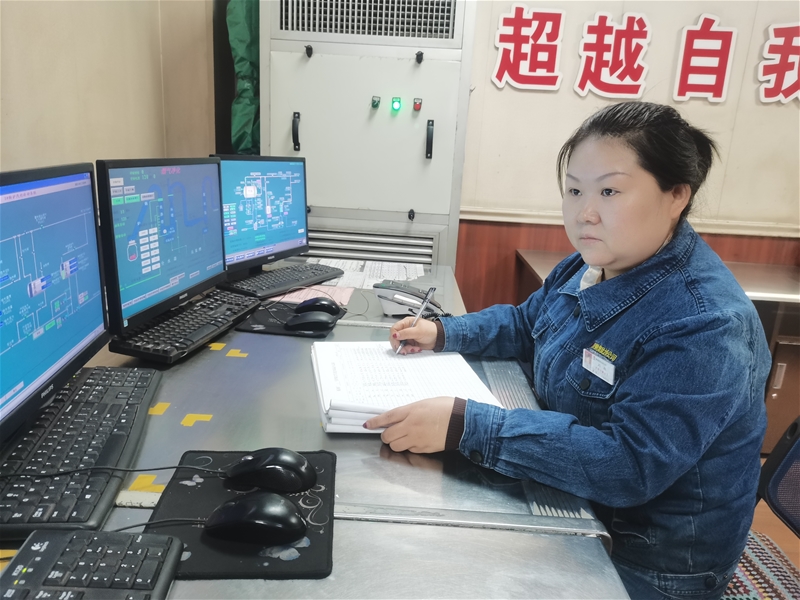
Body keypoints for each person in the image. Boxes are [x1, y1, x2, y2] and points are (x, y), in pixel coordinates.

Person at [364, 101, 771, 600]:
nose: (585, 213)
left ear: (676, 195)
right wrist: (445, 332)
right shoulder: (593, 263)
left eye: (609, 191)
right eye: (574, 190)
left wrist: (470, 426)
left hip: (645, 561)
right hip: (575, 501)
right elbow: (527, 323)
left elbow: (629, 466)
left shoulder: (704, 324)